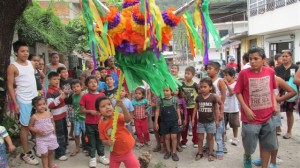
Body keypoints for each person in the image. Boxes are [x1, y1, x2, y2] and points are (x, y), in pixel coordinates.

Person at [234, 47, 278, 168]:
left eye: (256, 58)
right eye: (250, 59)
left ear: (263, 60)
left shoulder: (270, 72)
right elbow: (238, 92)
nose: (252, 61)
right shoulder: (244, 73)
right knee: (249, 145)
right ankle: (247, 156)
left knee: (267, 145)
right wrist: (246, 109)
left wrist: (274, 104)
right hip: (251, 118)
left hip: (268, 116)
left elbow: (272, 90)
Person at [251, 57, 297, 168]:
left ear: (272, 68)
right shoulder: (257, 79)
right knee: (262, 138)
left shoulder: (277, 79)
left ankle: (273, 162)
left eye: (265, 66)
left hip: (273, 113)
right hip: (261, 113)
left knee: (272, 140)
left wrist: (278, 99)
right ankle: (263, 159)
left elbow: (292, 91)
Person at [7, 40, 39, 165]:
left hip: (35, 99)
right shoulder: (13, 67)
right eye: (22, 51)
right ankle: (26, 153)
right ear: (16, 53)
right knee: (25, 127)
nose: (26, 53)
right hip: (23, 100)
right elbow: (10, 86)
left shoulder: (31, 63)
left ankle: (38, 146)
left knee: (36, 123)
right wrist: (15, 103)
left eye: (27, 51)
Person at [97, 97, 140, 168]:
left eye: (109, 104)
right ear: (98, 111)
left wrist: (123, 107)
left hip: (127, 151)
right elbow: (102, 139)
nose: (107, 107)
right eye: (103, 106)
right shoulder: (100, 124)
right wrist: (107, 142)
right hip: (114, 154)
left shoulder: (117, 115)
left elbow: (128, 120)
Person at [79, 76, 109, 167]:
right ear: (87, 85)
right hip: (89, 123)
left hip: (101, 123)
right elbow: (81, 110)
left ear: (98, 83)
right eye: (90, 82)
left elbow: (106, 107)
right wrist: (89, 111)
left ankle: (101, 156)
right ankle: (92, 158)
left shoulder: (102, 95)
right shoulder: (85, 97)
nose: (93, 84)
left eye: (95, 82)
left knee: (101, 140)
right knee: (91, 141)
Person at [192, 77, 223, 162]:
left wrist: (217, 120)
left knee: (210, 138)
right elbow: (195, 108)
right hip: (201, 122)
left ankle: (210, 153)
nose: (202, 89)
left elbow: (216, 109)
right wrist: (193, 119)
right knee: (200, 138)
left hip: (211, 122)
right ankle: (200, 152)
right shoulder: (198, 97)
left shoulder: (213, 97)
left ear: (210, 87)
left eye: (205, 87)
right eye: (201, 87)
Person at [29, 96, 59, 168]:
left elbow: (53, 122)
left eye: (44, 104)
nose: (42, 106)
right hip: (41, 139)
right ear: (34, 106)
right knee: (44, 154)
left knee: (51, 152)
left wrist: (54, 133)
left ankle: (50, 165)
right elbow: (30, 126)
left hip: (50, 137)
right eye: (39, 105)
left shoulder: (49, 113)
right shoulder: (34, 116)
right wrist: (37, 131)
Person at [274, 50, 298, 139]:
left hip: (291, 92)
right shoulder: (277, 68)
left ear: (291, 57)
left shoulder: (295, 68)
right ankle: (277, 128)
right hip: (279, 92)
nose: (284, 58)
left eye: (286, 56)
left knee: (289, 112)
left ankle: (289, 131)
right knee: (276, 111)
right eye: (283, 56)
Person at [46, 72, 68, 161]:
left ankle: (63, 149)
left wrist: (64, 95)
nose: (56, 81)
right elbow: (50, 105)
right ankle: (59, 154)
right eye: (54, 79)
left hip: (62, 115)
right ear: (49, 80)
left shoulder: (58, 89)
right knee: (59, 134)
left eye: (58, 79)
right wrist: (61, 98)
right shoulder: (49, 92)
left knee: (64, 132)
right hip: (56, 116)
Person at [155, 87, 182, 161]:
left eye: (167, 91)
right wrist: (156, 122)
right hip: (164, 122)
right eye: (163, 91)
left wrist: (179, 118)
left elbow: (177, 109)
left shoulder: (174, 100)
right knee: (166, 138)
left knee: (174, 137)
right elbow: (157, 111)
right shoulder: (160, 100)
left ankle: (174, 153)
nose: (165, 92)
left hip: (174, 121)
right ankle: (168, 151)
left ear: (171, 91)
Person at [207, 61, 227, 158]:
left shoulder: (220, 81)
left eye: (210, 68)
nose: (208, 70)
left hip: (218, 110)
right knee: (209, 130)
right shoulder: (207, 81)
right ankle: (208, 147)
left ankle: (221, 149)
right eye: (207, 68)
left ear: (217, 70)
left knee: (219, 130)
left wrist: (221, 111)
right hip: (208, 111)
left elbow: (223, 96)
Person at [181, 66, 198, 148]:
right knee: (185, 124)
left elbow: (199, 95)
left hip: (193, 108)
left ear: (193, 75)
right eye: (185, 73)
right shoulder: (182, 84)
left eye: (188, 74)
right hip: (185, 109)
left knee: (195, 124)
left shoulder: (195, 85)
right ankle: (184, 141)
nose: (186, 75)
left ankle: (195, 141)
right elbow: (180, 95)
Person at [70, 79, 88, 157]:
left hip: (84, 119)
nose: (75, 88)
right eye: (73, 87)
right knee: (76, 134)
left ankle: (88, 148)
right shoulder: (73, 96)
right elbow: (74, 105)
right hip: (76, 118)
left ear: (82, 87)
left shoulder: (85, 95)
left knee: (86, 134)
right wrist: (72, 107)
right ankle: (77, 148)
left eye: (77, 86)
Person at [223, 67, 240, 146]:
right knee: (223, 124)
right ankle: (224, 136)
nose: (225, 77)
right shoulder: (222, 83)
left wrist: (226, 84)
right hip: (224, 108)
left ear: (232, 75)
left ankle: (235, 138)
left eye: (227, 75)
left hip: (233, 108)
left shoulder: (236, 83)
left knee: (234, 125)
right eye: (224, 75)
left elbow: (232, 92)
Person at [57, 67, 74, 142]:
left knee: (73, 120)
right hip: (63, 104)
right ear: (59, 74)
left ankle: (71, 133)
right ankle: (66, 137)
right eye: (63, 72)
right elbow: (58, 90)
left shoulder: (71, 80)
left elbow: (75, 88)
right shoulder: (58, 82)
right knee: (65, 121)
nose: (65, 73)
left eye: (66, 72)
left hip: (71, 103)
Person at [173, 88, 187, 152]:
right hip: (171, 117)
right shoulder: (169, 99)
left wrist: (185, 118)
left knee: (178, 132)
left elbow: (185, 109)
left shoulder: (181, 99)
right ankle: (173, 145)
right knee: (172, 132)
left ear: (179, 91)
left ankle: (178, 144)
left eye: (176, 90)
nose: (175, 91)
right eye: (173, 89)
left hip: (179, 117)